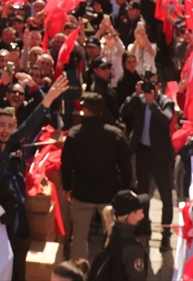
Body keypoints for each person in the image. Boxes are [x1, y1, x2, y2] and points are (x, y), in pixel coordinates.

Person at [61, 92, 133, 262]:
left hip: (82, 193)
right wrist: (124, 191)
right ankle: (111, 268)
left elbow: (66, 165)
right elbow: (126, 167)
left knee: (78, 237)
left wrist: (67, 188)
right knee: (112, 235)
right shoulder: (115, 134)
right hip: (109, 194)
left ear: (85, 110)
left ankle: (79, 273)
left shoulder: (74, 134)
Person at [120, 78, 176, 249]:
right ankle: (144, 226)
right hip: (142, 152)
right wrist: (135, 95)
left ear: (159, 87)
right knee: (143, 193)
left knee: (166, 196)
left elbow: (166, 121)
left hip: (160, 155)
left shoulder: (166, 103)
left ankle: (166, 234)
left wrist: (153, 104)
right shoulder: (140, 100)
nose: (148, 89)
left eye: (152, 86)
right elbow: (123, 112)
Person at [90, 190, 150, 281]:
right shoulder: (134, 250)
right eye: (139, 208)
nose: (142, 209)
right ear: (131, 215)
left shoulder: (110, 232)